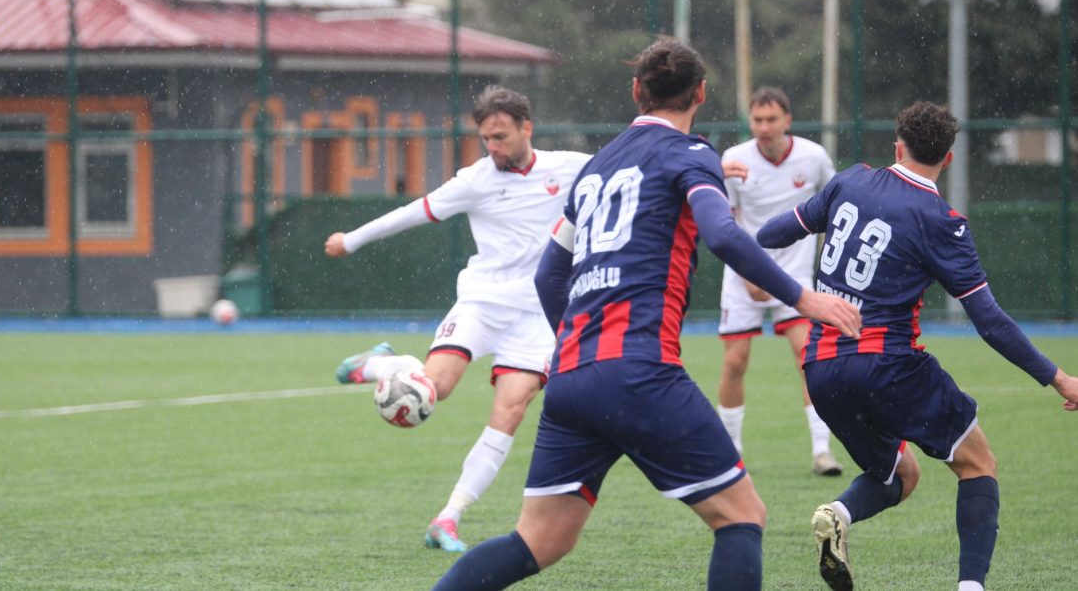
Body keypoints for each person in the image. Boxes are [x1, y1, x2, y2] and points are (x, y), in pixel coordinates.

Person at [431, 37, 862, 590]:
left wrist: (575, 344)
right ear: (701, 93)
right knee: (742, 516)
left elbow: (548, 275)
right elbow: (722, 233)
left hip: (570, 377)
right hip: (639, 369)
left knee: (537, 541)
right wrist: (805, 297)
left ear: (636, 91)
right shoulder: (690, 154)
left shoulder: (595, 167)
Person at [756, 101, 1078, 591]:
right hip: (887, 364)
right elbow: (989, 322)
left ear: (897, 146)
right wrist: (1058, 378)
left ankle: (837, 512)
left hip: (820, 368)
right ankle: (970, 587)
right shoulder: (941, 220)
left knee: (898, 475)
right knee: (977, 464)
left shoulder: (849, 181)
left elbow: (770, 234)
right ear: (947, 159)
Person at [324, 86, 592, 553]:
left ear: (527, 129)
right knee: (436, 388)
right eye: (486, 138)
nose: (493, 147)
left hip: (537, 315)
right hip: (483, 302)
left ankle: (447, 519)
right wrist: (352, 239)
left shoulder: (569, 167)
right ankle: (382, 365)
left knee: (511, 409)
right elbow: (413, 212)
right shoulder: (476, 179)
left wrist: (717, 166)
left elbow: (636, 167)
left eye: (501, 136)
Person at [717, 86, 842, 475]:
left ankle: (822, 452)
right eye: (757, 120)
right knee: (735, 361)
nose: (764, 127)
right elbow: (723, 222)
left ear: (787, 120)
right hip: (744, 276)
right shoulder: (734, 160)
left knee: (809, 359)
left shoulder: (814, 157)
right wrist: (747, 271)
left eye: (772, 119)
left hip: (795, 276)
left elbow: (837, 207)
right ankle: (730, 455)